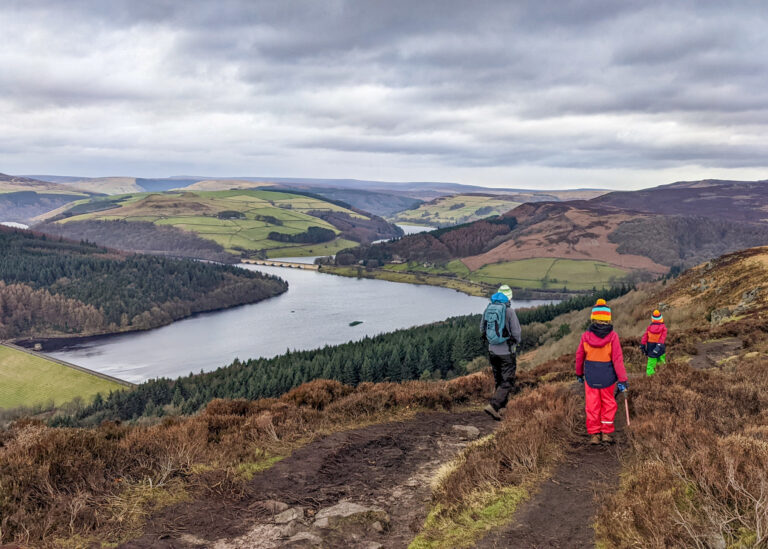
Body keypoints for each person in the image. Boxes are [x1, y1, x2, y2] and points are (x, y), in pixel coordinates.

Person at [574, 298, 628, 444]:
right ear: (608, 318)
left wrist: (579, 373)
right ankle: (606, 433)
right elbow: (617, 360)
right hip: (608, 378)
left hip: (591, 377)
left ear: (593, 318)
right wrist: (622, 380)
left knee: (592, 405)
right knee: (608, 404)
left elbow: (579, 357)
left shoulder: (585, 336)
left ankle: (594, 435)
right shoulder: (613, 337)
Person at [481, 284, 521, 421]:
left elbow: (482, 328)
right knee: (507, 381)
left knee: (499, 379)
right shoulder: (509, 311)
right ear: (509, 297)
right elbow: (516, 332)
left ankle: (501, 408)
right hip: (506, 352)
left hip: (492, 351)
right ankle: (494, 405)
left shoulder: (488, 308)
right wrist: (515, 342)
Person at [641, 309, 667, 376]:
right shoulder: (664, 328)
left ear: (652, 319)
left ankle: (650, 380)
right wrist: (659, 345)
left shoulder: (649, 328)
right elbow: (662, 338)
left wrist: (642, 345)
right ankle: (663, 376)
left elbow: (645, 337)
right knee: (661, 363)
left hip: (651, 348)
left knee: (650, 365)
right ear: (661, 319)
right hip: (660, 348)